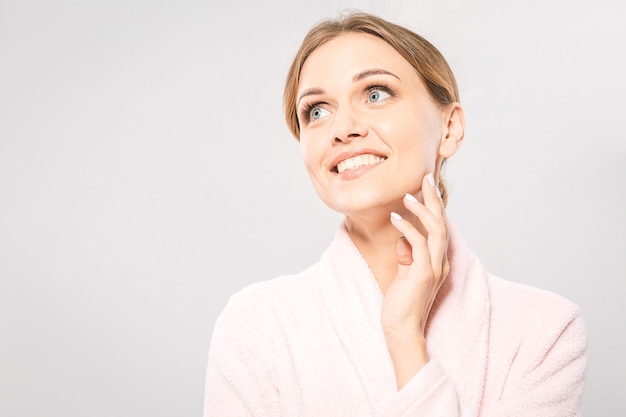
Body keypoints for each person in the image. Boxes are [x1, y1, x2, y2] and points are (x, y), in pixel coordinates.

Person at [203, 10, 587, 417]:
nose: (342, 128)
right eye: (316, 111)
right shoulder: (257, 326)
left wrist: (404, 336)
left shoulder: (545, 331)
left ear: (450, 127)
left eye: (375, 93)